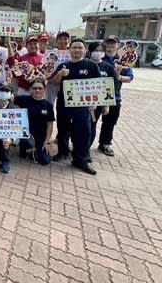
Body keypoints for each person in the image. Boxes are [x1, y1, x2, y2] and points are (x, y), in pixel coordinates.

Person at [50, 38, 100, 175]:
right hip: (64, 103)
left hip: (83, 105)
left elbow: (99, 85)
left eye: (80, 47)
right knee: (63, 129)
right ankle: (63, 152)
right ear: (69, 49)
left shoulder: (91, 66)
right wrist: (60, 74)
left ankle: (81, 159)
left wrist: (94, 104)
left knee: (83, 132)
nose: (77, 50)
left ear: (85, 50)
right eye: (74, 47)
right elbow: (54, 82)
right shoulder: (64, 66)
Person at [99, 35, 134, 156]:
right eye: (108, 42)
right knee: (90, 121)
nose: (110, 45)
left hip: (114, 96)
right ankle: (85, 142)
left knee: (109, 122)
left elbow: (129, 78)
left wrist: (118, 76)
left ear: (118, 45)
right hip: (96, 95)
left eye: (113, 43)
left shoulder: (123, 60)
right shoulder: (98, 57)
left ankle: (105, 143)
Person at [14, 78, 54, 165]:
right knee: (28, 142)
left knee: (45, 161)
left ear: (44, 89)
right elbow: (9, 98)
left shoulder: (48, 105)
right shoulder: (24, 99)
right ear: (30, 89)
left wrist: (47, 141)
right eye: (35, 88)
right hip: (26, 134)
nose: (37, 90)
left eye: (40, 88)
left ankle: (35, 150)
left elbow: (50, 124)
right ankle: (25, 147)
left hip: (41, 136)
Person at [45, 31, 70, 105]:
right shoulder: (51, 53)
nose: (63, 41)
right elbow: (46, 68)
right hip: (52, 83)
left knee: (63, 105)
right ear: (57, 41)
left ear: (69, 41)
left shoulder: (71, 53)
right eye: (60, 39)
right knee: (49, 104)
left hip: (66, 84)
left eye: (65, 39)